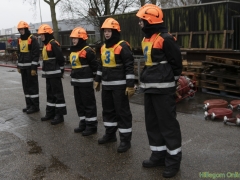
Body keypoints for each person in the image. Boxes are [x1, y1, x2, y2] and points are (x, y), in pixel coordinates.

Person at [136, 4, 183, 178]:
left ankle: (173, 161)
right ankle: (158, 155)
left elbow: (176, 63)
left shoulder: (166, 38)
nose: (140, 23)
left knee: (168, 126)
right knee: (153, 124)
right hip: (150, 89)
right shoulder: (147, 39)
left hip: (163, 90)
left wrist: (173, 81)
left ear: (149, 20)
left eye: (141, 20)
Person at [94, 18, 135, 153]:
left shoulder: (122, 46)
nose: (106, 33)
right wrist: (97, 79)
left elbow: (129, 67)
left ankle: (125, 140)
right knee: (108, 111)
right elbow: (101, 65)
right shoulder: (103, 47)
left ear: (115, 31)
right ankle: (110, 135)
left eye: (109, 31)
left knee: (122, 113)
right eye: (105, 31)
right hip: (106, 86)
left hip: (119, 87)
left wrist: (130, 85)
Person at [69, 27, 98, 136]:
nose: (73, 40)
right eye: (73, 39)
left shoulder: (87, 51)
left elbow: (95, 66)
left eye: (76, 38)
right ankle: (83, 122)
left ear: (81, 38)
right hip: (76, 82)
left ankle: (92, 126)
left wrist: (96, 79)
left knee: (88, 104)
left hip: (85, 82)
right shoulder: (74, 50)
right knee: (79, 103)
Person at [37, 24, 67, 125]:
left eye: (42, 35)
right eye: (40, 35)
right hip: (49, 74)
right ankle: (50, 113)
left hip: (54, 74)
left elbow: (60, 59)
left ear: (47, 34)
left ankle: (59, 115)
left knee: (58, 95)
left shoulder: (53, 44)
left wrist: (61, 71)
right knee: (50, 94)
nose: (41, 37)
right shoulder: (46, 45)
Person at [17, 21, 40, 114]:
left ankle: (35, 106)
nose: (21, 31)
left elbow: (36, 54)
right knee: (26, 87)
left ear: (26, 29)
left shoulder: (32, 39)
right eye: (20, 30)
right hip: (23, 68)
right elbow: (19, 54)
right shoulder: (20, 40)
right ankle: (29, 105)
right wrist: (18, 65)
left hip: (30, 68)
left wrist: (34, 68)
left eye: (22, 29)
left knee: (33, 87)